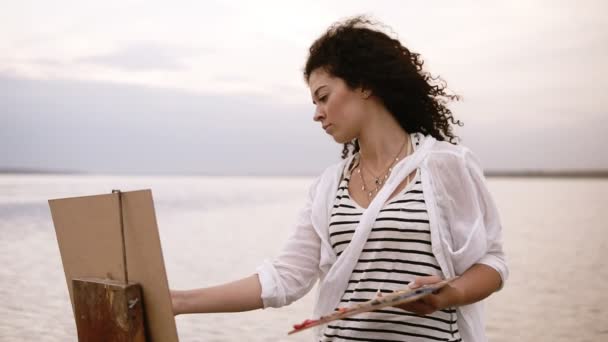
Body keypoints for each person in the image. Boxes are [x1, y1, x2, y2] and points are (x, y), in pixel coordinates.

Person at [171, 16, 508, 342]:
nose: (316, 113)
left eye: (323, 96)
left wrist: (452, 292)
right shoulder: (327, 186)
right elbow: (286, 278)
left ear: (363, 84)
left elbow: (492, 262)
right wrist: (179, 302)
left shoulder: (444, 165)